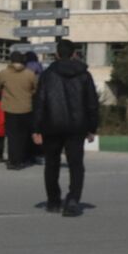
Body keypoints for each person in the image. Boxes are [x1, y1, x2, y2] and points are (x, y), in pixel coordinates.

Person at [32, 38, 99, 216]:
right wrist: (92, 127)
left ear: (56, 54)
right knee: (76, 165)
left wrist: (36, 128)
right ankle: (73, 199)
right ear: (75, 54)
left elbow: (40, 102)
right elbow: (92, 103)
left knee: (52, 164)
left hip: (52, 125)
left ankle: (53, 201)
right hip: (77, 127)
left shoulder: (47, 75)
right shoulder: (85, 75)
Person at [0, 52, 37, 169]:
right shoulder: (30, 74)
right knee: (23, 136)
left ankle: (12, 161)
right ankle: (21, 160)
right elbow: (36, 89)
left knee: (12, 136)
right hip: (26, 108)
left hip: (10, 108)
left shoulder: (4, 73)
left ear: (11, 61)